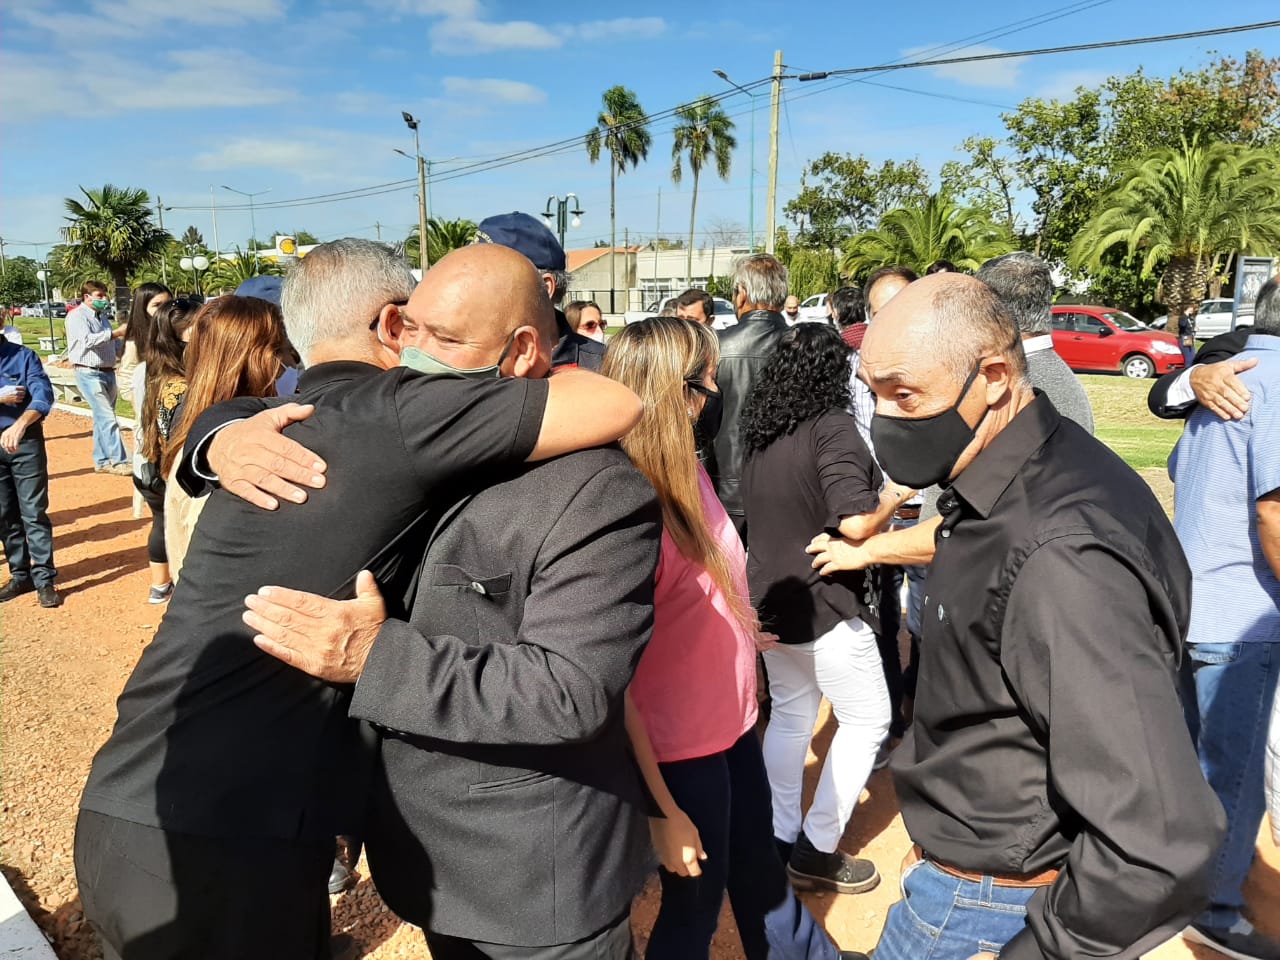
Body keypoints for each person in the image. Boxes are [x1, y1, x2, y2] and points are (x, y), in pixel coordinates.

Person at [74, 240, 642, 960]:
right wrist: (216, 441)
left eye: (441, 336)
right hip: (219, 838)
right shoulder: (390, 415)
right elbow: (617, 399)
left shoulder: (293, 419)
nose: (417, 350)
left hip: (152, 803)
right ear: (388, 322)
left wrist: (214, 439)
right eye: (413, 328)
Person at [818, 273, 1224, 960]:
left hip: (991, 907)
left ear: (994, 378)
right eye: (872, 391)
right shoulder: (1010, 478)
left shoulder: (1061, 555)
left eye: (903, 395)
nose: (883, 419)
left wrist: (1035, 946)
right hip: (970, 874)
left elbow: (1156, 840)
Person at [601, 317, 867, 960]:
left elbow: (708, 581)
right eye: (708, 380)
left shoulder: (688, 473)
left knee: (759, 872)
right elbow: (613, 681)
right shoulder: (628, 511)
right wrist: (662, 809)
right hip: (678, 750)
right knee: (695, 907)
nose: (718, 392)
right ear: (677, 394)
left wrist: (741, 628)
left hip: (732, 723)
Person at [740, 323, 909, 896]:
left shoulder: (761, 432)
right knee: (869, 719)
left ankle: (779, 835)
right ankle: (815, 848)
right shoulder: (831, 426)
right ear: (833, 372)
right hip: (822, 600)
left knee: (791, 715)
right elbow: (857, 522)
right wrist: (895, 494)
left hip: (771, 596)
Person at [1168, 276, 1280, 960]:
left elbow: (1181, 470)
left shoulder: (1228, 378)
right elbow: (1273, 513)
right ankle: (1212, 911)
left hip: (1192, 604)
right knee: (1232, 778)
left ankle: (1175, 885)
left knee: (1193, 766)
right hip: (1245, 616)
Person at [159, 296, 286, 580]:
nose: (285, 366)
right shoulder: (229, 453)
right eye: (278, 350)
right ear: (254, 359)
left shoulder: (194, 434)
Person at [707, 253, 790, 543]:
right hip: (786, 487)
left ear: (741, 294)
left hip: (723, 488)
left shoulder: (714, 346)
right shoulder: (803, 347)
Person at [474, 212, 605, 371]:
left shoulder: (604, 367)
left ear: (544, 288)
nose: (475, 287)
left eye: (491, 277)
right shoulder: (465, 359)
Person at [132, 296, 200, 603]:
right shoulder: (183, 384)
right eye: (200, 327)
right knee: (181, 532)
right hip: (173, 472)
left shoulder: (150, 370)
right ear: (182, 335)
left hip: (151, 463)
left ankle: (160, 586)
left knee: (162, 523)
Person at [0, 335, 59, 608]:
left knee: (34, 512)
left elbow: (43, 394)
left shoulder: (23, 357)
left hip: (24, 442)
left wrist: (21, 424)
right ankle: (20, 575)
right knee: (4, 514)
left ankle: (44, 579)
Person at [65, 280, 130, 474]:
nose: (104, 299)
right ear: (87, 297)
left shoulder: (102, 318)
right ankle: (119, 461)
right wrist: (115, 333)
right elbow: (87, 340)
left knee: (102, 419)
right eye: (99, 295)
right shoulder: (76, 316)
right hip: (88, 372)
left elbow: (113, 344)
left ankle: (101, 461)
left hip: (108, 371)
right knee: (108, 418)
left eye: (105, 295)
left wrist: (124, 350)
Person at [118, 282, 172, 406]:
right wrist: (140, 402)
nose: (164, 309)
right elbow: (127, 379)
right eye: (157, 305)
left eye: (168, 304)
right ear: (143, 309)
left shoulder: (178, 333)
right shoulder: (134, 343)